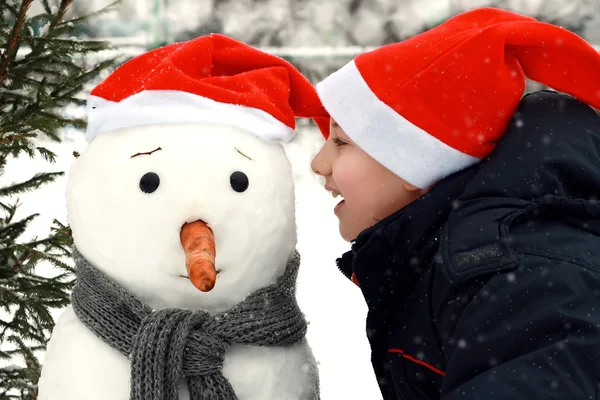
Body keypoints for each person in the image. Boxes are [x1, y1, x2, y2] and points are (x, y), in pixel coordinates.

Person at [311, 7, 600, 400]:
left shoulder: (518, 280)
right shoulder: (446, 257)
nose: (317, 163)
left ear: (417, 161)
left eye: (341, 142)